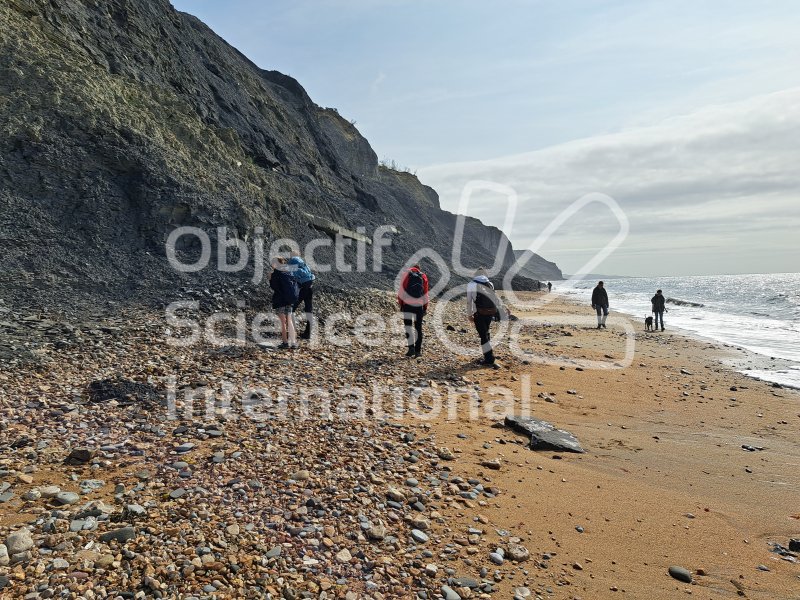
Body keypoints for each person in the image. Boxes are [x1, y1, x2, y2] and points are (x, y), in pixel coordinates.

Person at [466, 268, 501, 365]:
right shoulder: (490, 283)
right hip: (490, 312)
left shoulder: (471, 284)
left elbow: (469, 302)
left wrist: (469, 315)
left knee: (483, 336)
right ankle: (488, 355)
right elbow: (495, 298)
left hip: (479, 313)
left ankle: (489, 358)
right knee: (486, 332)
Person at [397, 264, 429, 357]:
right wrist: (425, 307)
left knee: (408, 326)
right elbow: (426, 294)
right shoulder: (423, 276)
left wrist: (401, 305)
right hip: (418, 306)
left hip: (407, 305)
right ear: (419, 269)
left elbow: (401, 292)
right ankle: (418, 352)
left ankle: (411, 348)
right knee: (418, 328)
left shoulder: (406, 274)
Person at [269, 257, 300, 349]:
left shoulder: (275, 273)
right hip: (290, 299)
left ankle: (285, 343)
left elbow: (274, 287)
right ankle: (293, 343)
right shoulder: (289, 272)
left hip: (280, 300)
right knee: (289, 320)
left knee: (283, 322)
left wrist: (270, 279)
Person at [287, 255, 315, 340]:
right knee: (309, 311)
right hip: (310, 288)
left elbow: (291, 279)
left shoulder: (293, 266)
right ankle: (308, 334)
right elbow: (312, 277)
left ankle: (292, 331)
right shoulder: (305, 266)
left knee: (291, 310)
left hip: (302, 289)